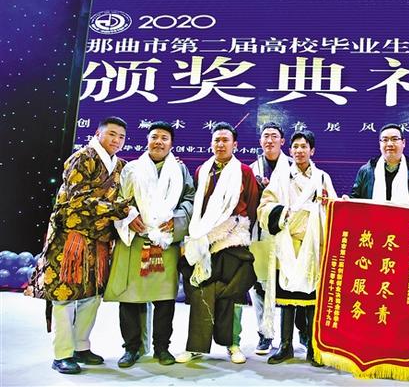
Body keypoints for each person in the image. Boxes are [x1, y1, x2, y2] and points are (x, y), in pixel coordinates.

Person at [26, 117, 133, 374]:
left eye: (121, 137)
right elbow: (77, 200)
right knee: (64, 296)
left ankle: (81, 346)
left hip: (100, 241)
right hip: (70, 237)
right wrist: (119, 209)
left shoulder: (120, 166)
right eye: (111, 134)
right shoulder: (82, 158)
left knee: (92, 296)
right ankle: (62, 354)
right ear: (98, 133)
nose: (116, 140)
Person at [103, 121, 195, 367]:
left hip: (164, 241)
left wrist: (177, 220)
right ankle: (131, 348)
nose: (159, 142)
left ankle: (162, 348)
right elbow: (119, 198)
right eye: (154, 137)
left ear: (171, 144)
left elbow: (190, 199)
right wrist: (129, 216)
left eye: (164, 138)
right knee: (129, 297)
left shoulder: (180, 170)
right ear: (147, 140)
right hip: (134, 239)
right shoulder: (131, 168)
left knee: (164, 299)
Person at [175, 122, 259, 364]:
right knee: (200, 291)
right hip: (203, 241)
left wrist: (234, 229)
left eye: (225, 140)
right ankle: (195, 347)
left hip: (233, 240)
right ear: (211, 143)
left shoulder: (244, 172)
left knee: (233, 293)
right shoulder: (202, 170)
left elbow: (251, 206)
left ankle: (233, 344)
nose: (220, 144)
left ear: (235, 144)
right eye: (217, 140)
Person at [258, 130, 336, 366]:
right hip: (287, 244)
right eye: (296, 147)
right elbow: (265, 205)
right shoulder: (281, 176)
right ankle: (285, 346)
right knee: (287, 299)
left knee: (312, 298)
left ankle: (313, 347)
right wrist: (283, 213)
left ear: (312, 150)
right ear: (290, 150)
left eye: (304, 146)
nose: (299, 151)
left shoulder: (322, 178)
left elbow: (333, 208)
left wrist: (331, 207)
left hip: (313, 246)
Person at [247, 122, 308, 355]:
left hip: (290, 235)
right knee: (260, 284)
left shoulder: (295, 167)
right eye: (266, 136)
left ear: (283, 142)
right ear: (260, 141)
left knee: (294, 282)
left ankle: (300, 332)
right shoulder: (251, 169)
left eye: (274, 136)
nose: (270, 140)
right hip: (260, 233)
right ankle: (265, 334)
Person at [351, 123, 409, 204]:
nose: (389, 144)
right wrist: (347, 201)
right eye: (385, 140)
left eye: (394, 139)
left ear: (403, 143)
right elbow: (354, 201)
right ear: (380, 144)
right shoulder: (366, 171)